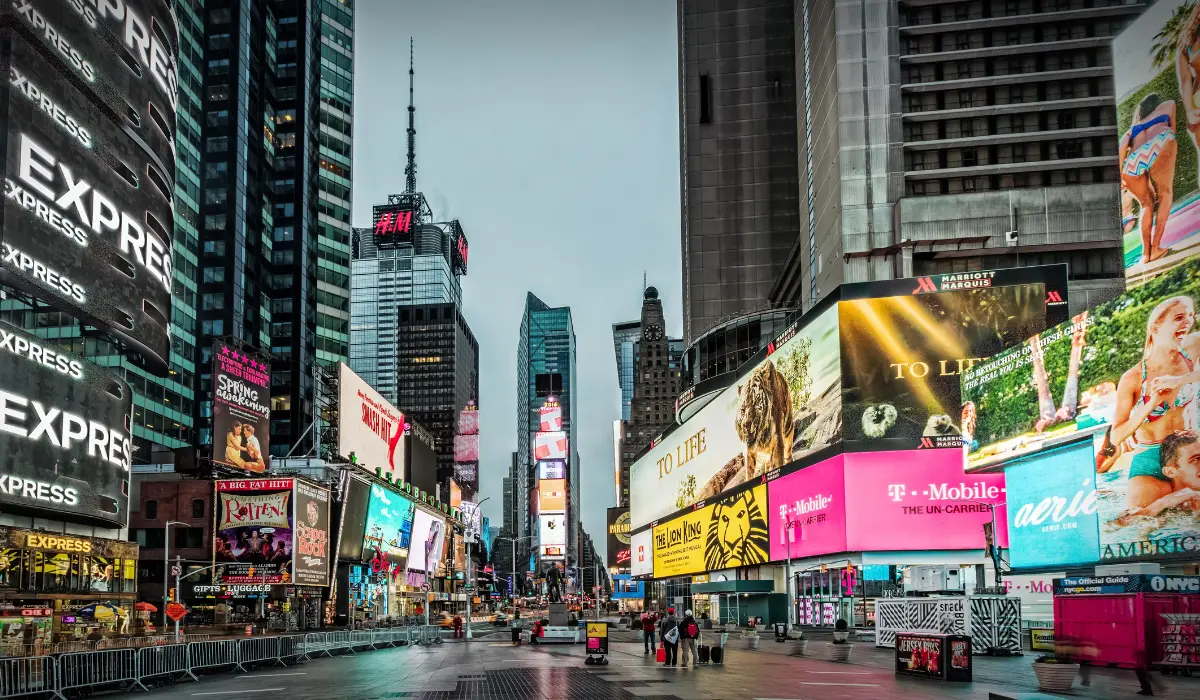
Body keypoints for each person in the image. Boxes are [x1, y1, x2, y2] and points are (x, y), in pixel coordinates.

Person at [1107, 297, 1200, 511]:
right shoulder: (1133, 378)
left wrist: (1178, 381)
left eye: (1190, 316)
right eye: (1178, 318)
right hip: (1151, 457)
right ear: (1156, 327)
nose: (1188, 322)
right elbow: (1116, 436)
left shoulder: (1193, 347)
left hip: (1190, 453)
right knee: (1138, 519)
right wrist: (1150, 405)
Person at [1120, 93, 1179, 264]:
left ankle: (1146, 254)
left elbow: (1122, 148)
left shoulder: (1132, 128)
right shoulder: (1168, 103)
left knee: (1146, 204)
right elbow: (1172, 128)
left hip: (1133, 160)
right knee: (1165, 193)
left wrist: (1120, 177)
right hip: (1161, 140)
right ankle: (1157, 248)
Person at [1179, 2, 1200, 191]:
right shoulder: (1186, 49)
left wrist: (1190, 109)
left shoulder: (1186, 48)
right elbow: (1185, 82)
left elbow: (1186, 82)